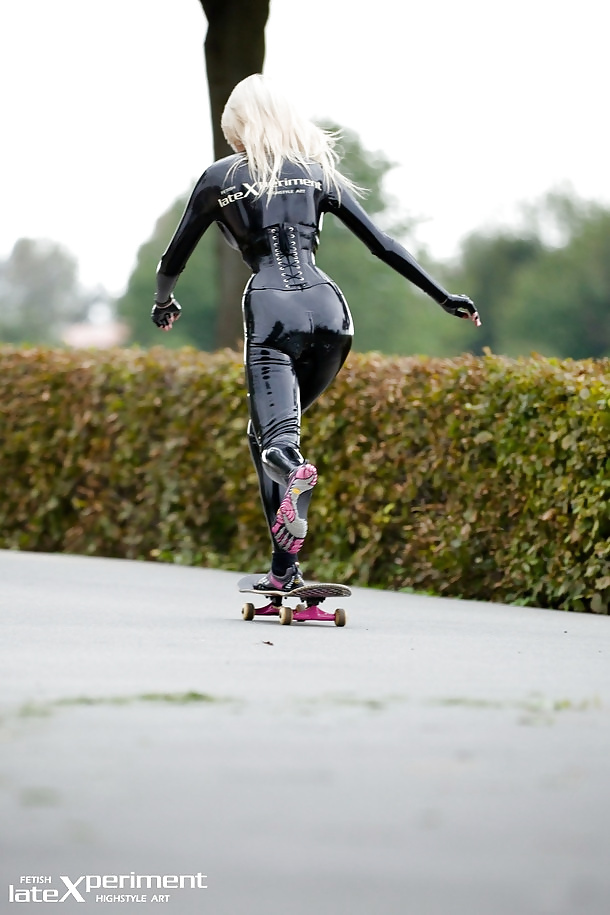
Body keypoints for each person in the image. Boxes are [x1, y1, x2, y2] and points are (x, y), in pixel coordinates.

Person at [152, 74, 480, 592]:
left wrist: (162, 299)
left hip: (271, 309)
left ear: (238, 125)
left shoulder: (219, 177)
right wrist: (444, 296)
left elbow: (174, 256)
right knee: (266, 433)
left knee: (274, 442)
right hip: (332, 315)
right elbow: (383, 244)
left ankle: (292, 487)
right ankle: (284, 568)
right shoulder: (317, 172)